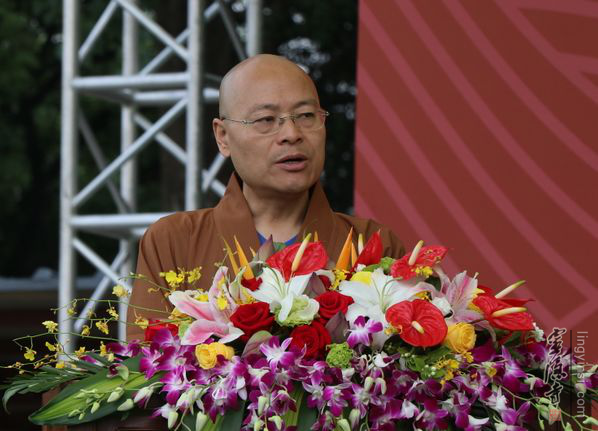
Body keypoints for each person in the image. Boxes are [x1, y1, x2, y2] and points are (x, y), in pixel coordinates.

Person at [126, 54, 404, 341]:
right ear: (223, 136)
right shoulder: (175, 241)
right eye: (266, 120)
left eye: (306, 115)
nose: (291, 134)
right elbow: (146, 359)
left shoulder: (373, 244)